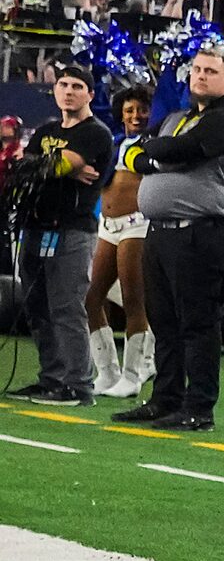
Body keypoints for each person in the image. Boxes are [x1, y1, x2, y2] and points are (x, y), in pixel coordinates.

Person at [120, 46, 224, 431]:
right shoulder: (178, 117)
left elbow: (182, 151)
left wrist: (152, 155)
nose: (201, 75)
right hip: (160, 232)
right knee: (163, 320)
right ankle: (166, 399)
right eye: (196, 69)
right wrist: (153, 154)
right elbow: (135, 153)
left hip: (199, 232)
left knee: (197, 322)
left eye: (210, 70)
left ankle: (199, 408)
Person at [10, 65, 115, 405]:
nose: (68, 91)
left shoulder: (96, 133)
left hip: (72, 229)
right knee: (37, 305)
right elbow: (20, 169)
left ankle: (78, 385)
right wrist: (53, 165)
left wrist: (49, 164)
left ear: (90, 93)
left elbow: (55, 165)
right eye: (63, 85)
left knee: (67, 307)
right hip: (37, 226)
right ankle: (51, 378)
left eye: (76, 86)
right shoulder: (46, 131)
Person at [83, 83, 154, 401]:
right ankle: (107, 371)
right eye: (129, 110)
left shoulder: (152, 145)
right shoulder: (114, 143)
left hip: (137, 225)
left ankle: (133, 375)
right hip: (107, 226)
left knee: (132, 299)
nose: (136, 115)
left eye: (142, 110)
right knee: (90, 297)